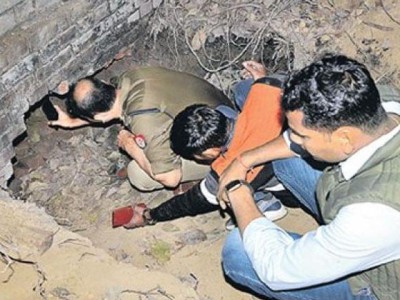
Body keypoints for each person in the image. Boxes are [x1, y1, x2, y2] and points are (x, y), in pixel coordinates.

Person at [219, 54, 400, 299]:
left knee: (239, 251)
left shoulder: (373, 215)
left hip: (380, 283)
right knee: (284, 159)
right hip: (359, 205)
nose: (293, 139)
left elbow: (276, 269)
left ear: (345, 139)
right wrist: (243, 160)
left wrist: (238, 191)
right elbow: (290, 142)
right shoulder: (382, 103)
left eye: (302, 135)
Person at [117, 61, 290, 228]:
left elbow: (189, 203)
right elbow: (282, 80)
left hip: (288, 182)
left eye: (195, 156)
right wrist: (263, 79)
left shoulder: (226, 171)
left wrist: (149, 216)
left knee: (235, 192)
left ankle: (264, 202)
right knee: (243, 89)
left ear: (210, 151)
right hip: (288, 135)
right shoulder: (267, 92)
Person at [48, 66, 233, 191]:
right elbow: (109, 108)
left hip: (225, 146)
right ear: (104, 84)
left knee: (137, 174)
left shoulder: (144, 120)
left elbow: (171, 179)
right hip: (220, 109)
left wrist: (130, 146)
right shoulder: (129, 77)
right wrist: (74, 121)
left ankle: (211, 176)